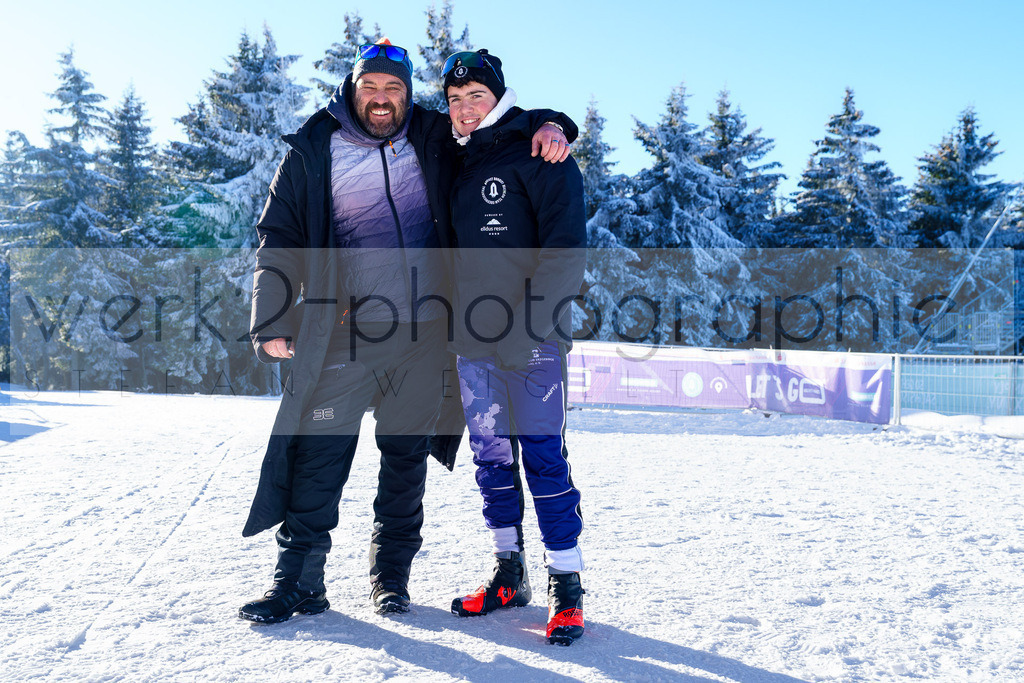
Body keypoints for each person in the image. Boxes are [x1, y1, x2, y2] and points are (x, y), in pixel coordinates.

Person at [238, 39, 576, 624]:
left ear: (408, 95)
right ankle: (298, 581)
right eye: (370, 86)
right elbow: (279, 237)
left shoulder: (431, 133)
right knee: (319, 454)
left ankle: (390, 579)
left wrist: (554, 125)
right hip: (345, 330)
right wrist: (270, 316)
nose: (381, 98)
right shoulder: (314, 149)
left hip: (425, 335)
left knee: (404, 459)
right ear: (351, 89)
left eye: (393, 88)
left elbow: (496, 125)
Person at [441, 49, 589, 645]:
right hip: (471, 343)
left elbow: (565, 254)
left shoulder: (541, 154)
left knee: (544, 458)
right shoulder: (455, 158)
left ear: (499, 98)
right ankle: (509, 573)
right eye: (455, 99)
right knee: (491, 459)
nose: (465, 109)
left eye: (477, 96)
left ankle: (566, 586)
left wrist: (526, 331)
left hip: (533, 343)